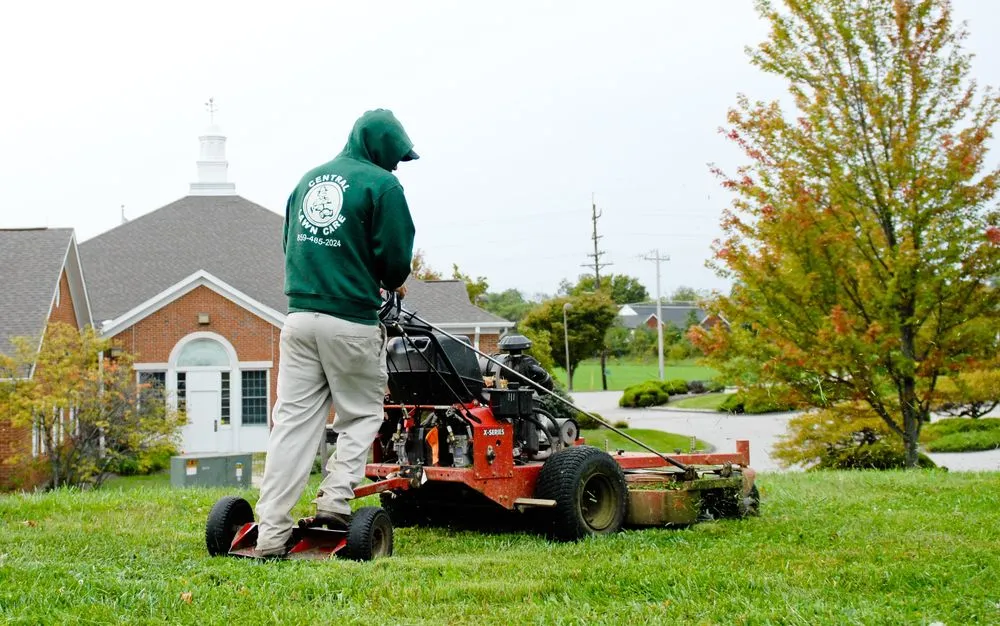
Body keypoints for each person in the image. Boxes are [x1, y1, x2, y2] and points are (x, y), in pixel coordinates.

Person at [253, 108, 418, 558]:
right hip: (351, 322)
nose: (397, 166)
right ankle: (334, 502)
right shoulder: (382, 186)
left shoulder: (308, 180)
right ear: (382, 147)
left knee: (292, 425)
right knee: (361, 415)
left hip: (299, 319)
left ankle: (270, 533)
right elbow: (395, 258)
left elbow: (290, 243)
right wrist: (391, 277)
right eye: (397, 156)